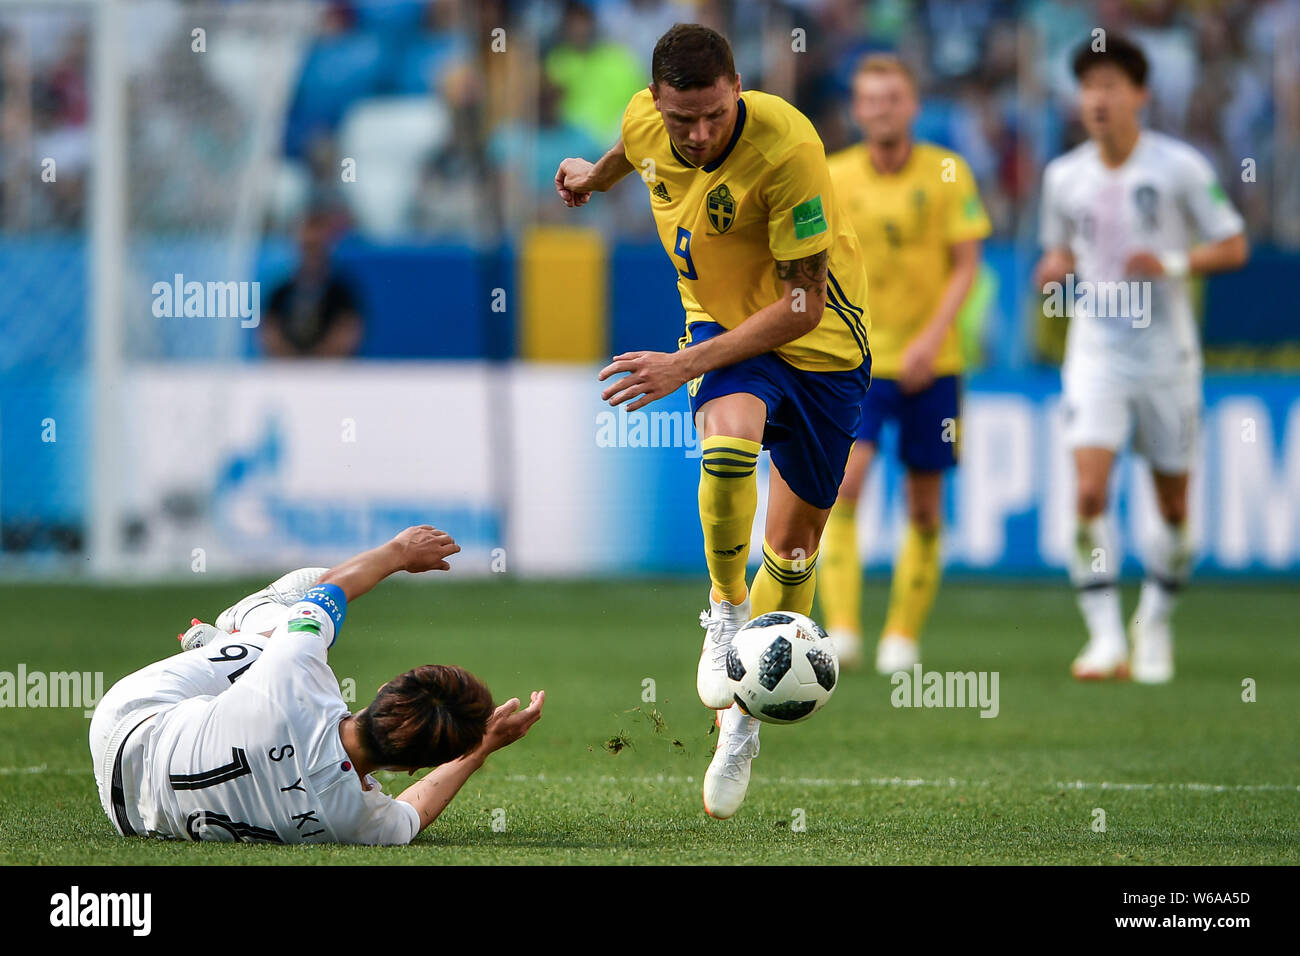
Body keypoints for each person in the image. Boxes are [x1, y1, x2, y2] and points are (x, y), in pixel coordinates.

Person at [554, 23, 872, 818]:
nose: (697, 135)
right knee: (727, 446)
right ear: (659, 103)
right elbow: (632, 148)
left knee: (795, 553)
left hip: (820, 342)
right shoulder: (645, 122)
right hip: (722, 332)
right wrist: (592, 178)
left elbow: (800, 306)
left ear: (738, 90)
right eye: (681, 119)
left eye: (713, 116)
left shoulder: (786, 146)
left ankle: (741, 728)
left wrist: (679, 367)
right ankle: (725, 613)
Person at [89, 525, 544, 844]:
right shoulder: (364, 826)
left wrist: (400, 551)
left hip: (128, 720)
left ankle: (240, 631)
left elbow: (328, 588)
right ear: (409, 768)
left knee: (295, 608)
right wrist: (480, 747)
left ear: (388, 686)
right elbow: (414, 813)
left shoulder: (298, 676)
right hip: (132, 816)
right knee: (285, 654)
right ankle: (241, 645)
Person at [1033, 34, 1248, 683]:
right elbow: (1060, 250)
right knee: (1091, 490)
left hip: (1167, 356)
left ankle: (1153, 620)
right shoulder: (1062, 175)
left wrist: (1173, 263)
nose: (1097, 99)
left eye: (1110, 86)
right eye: (1089, 87)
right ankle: (1104, 639)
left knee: (1175, 508)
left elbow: (1233, 244)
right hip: (1097, 350)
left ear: (1140, 95)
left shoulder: (1180, 167)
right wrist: (1056, 267)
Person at [818, 54, 990, 674]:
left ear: (913, 105)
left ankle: (902, 636)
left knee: (923, 504)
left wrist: (930, 340)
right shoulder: (833, 175)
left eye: (893, 98)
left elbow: (968, 264)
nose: (881, 109)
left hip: (933, 363)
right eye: (870, 100)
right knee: (843, 491)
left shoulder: (948, 172)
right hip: (855, 363)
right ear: (857, 110)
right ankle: (840, 631)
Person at [262, 213, 363, 357]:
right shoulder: (280, 292)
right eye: (306, 247)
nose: (311, 254)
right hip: (287, 371)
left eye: (316, 247)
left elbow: (348, 332)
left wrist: (318, 361)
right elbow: (269, 332)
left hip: (331, 372)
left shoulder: (342, 293)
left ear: (326, 249)